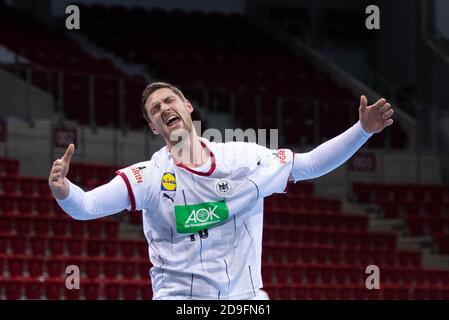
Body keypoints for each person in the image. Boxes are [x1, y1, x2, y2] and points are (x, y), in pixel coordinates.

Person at [49, 82, 394, 300]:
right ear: (153, 126)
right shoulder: (149, 177)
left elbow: (309, 165)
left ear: (187, 106)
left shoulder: (244, 157)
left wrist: (362, 130)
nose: (164, 108)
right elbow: (88, 206)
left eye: (170, 100)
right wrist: (65, 188)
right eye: (155, 109)